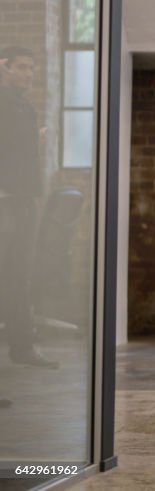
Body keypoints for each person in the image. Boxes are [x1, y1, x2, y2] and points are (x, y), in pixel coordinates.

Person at [0, 46, 58, 370]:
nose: (27, 74)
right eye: (20, 67)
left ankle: (23, 347)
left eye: (30, 68)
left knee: (18, 277)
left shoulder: (23, 106)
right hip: (5, 200)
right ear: (5, 68)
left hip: (23, 200)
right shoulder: (3, 103)